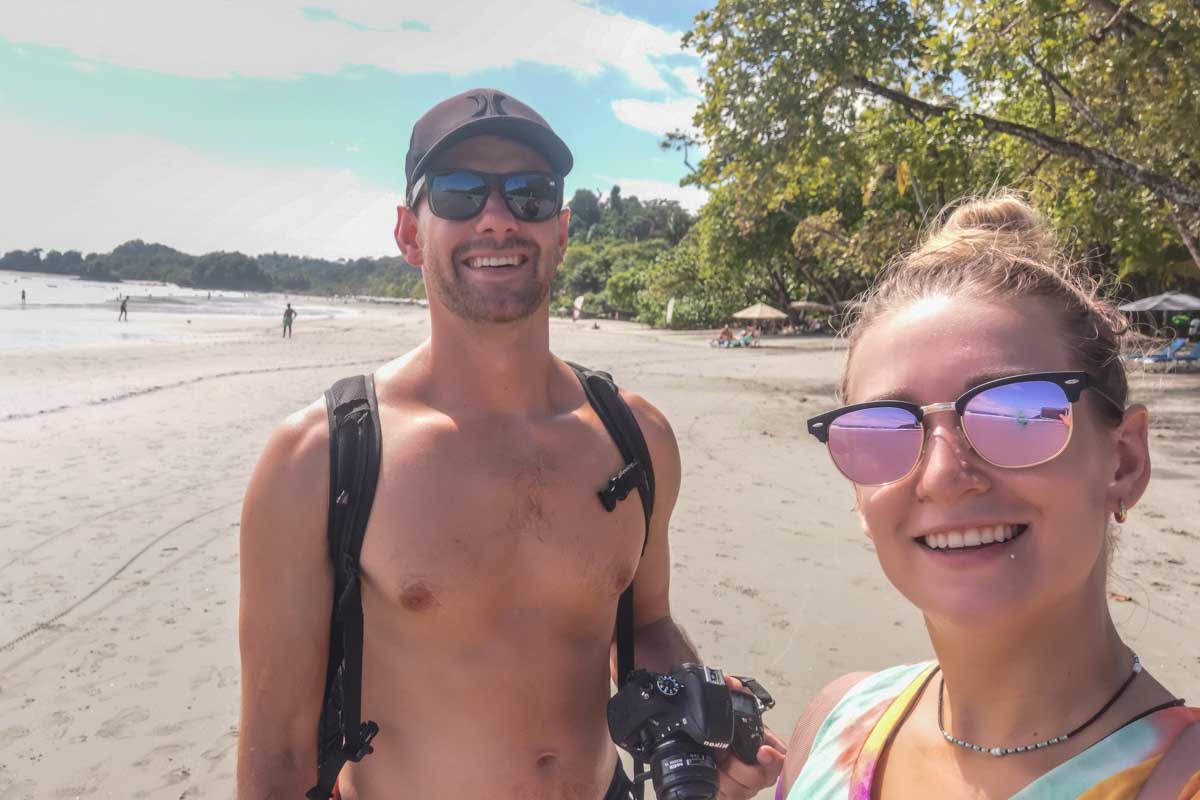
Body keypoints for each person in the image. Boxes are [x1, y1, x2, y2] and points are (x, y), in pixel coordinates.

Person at [237, 89, 783, 800]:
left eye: (529, 194)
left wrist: (693, 710)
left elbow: (643, 622)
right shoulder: (320, 457)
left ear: (560, 230)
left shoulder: (634, 437)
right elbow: (276, 745)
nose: (496, 219)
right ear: (409, 234)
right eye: (460, 194)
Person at [781, 194, 1200, 799]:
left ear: (1124, 461)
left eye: (1019, 414)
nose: (943, 474)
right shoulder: (831, 725)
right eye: (884, 430)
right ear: (859, 498)